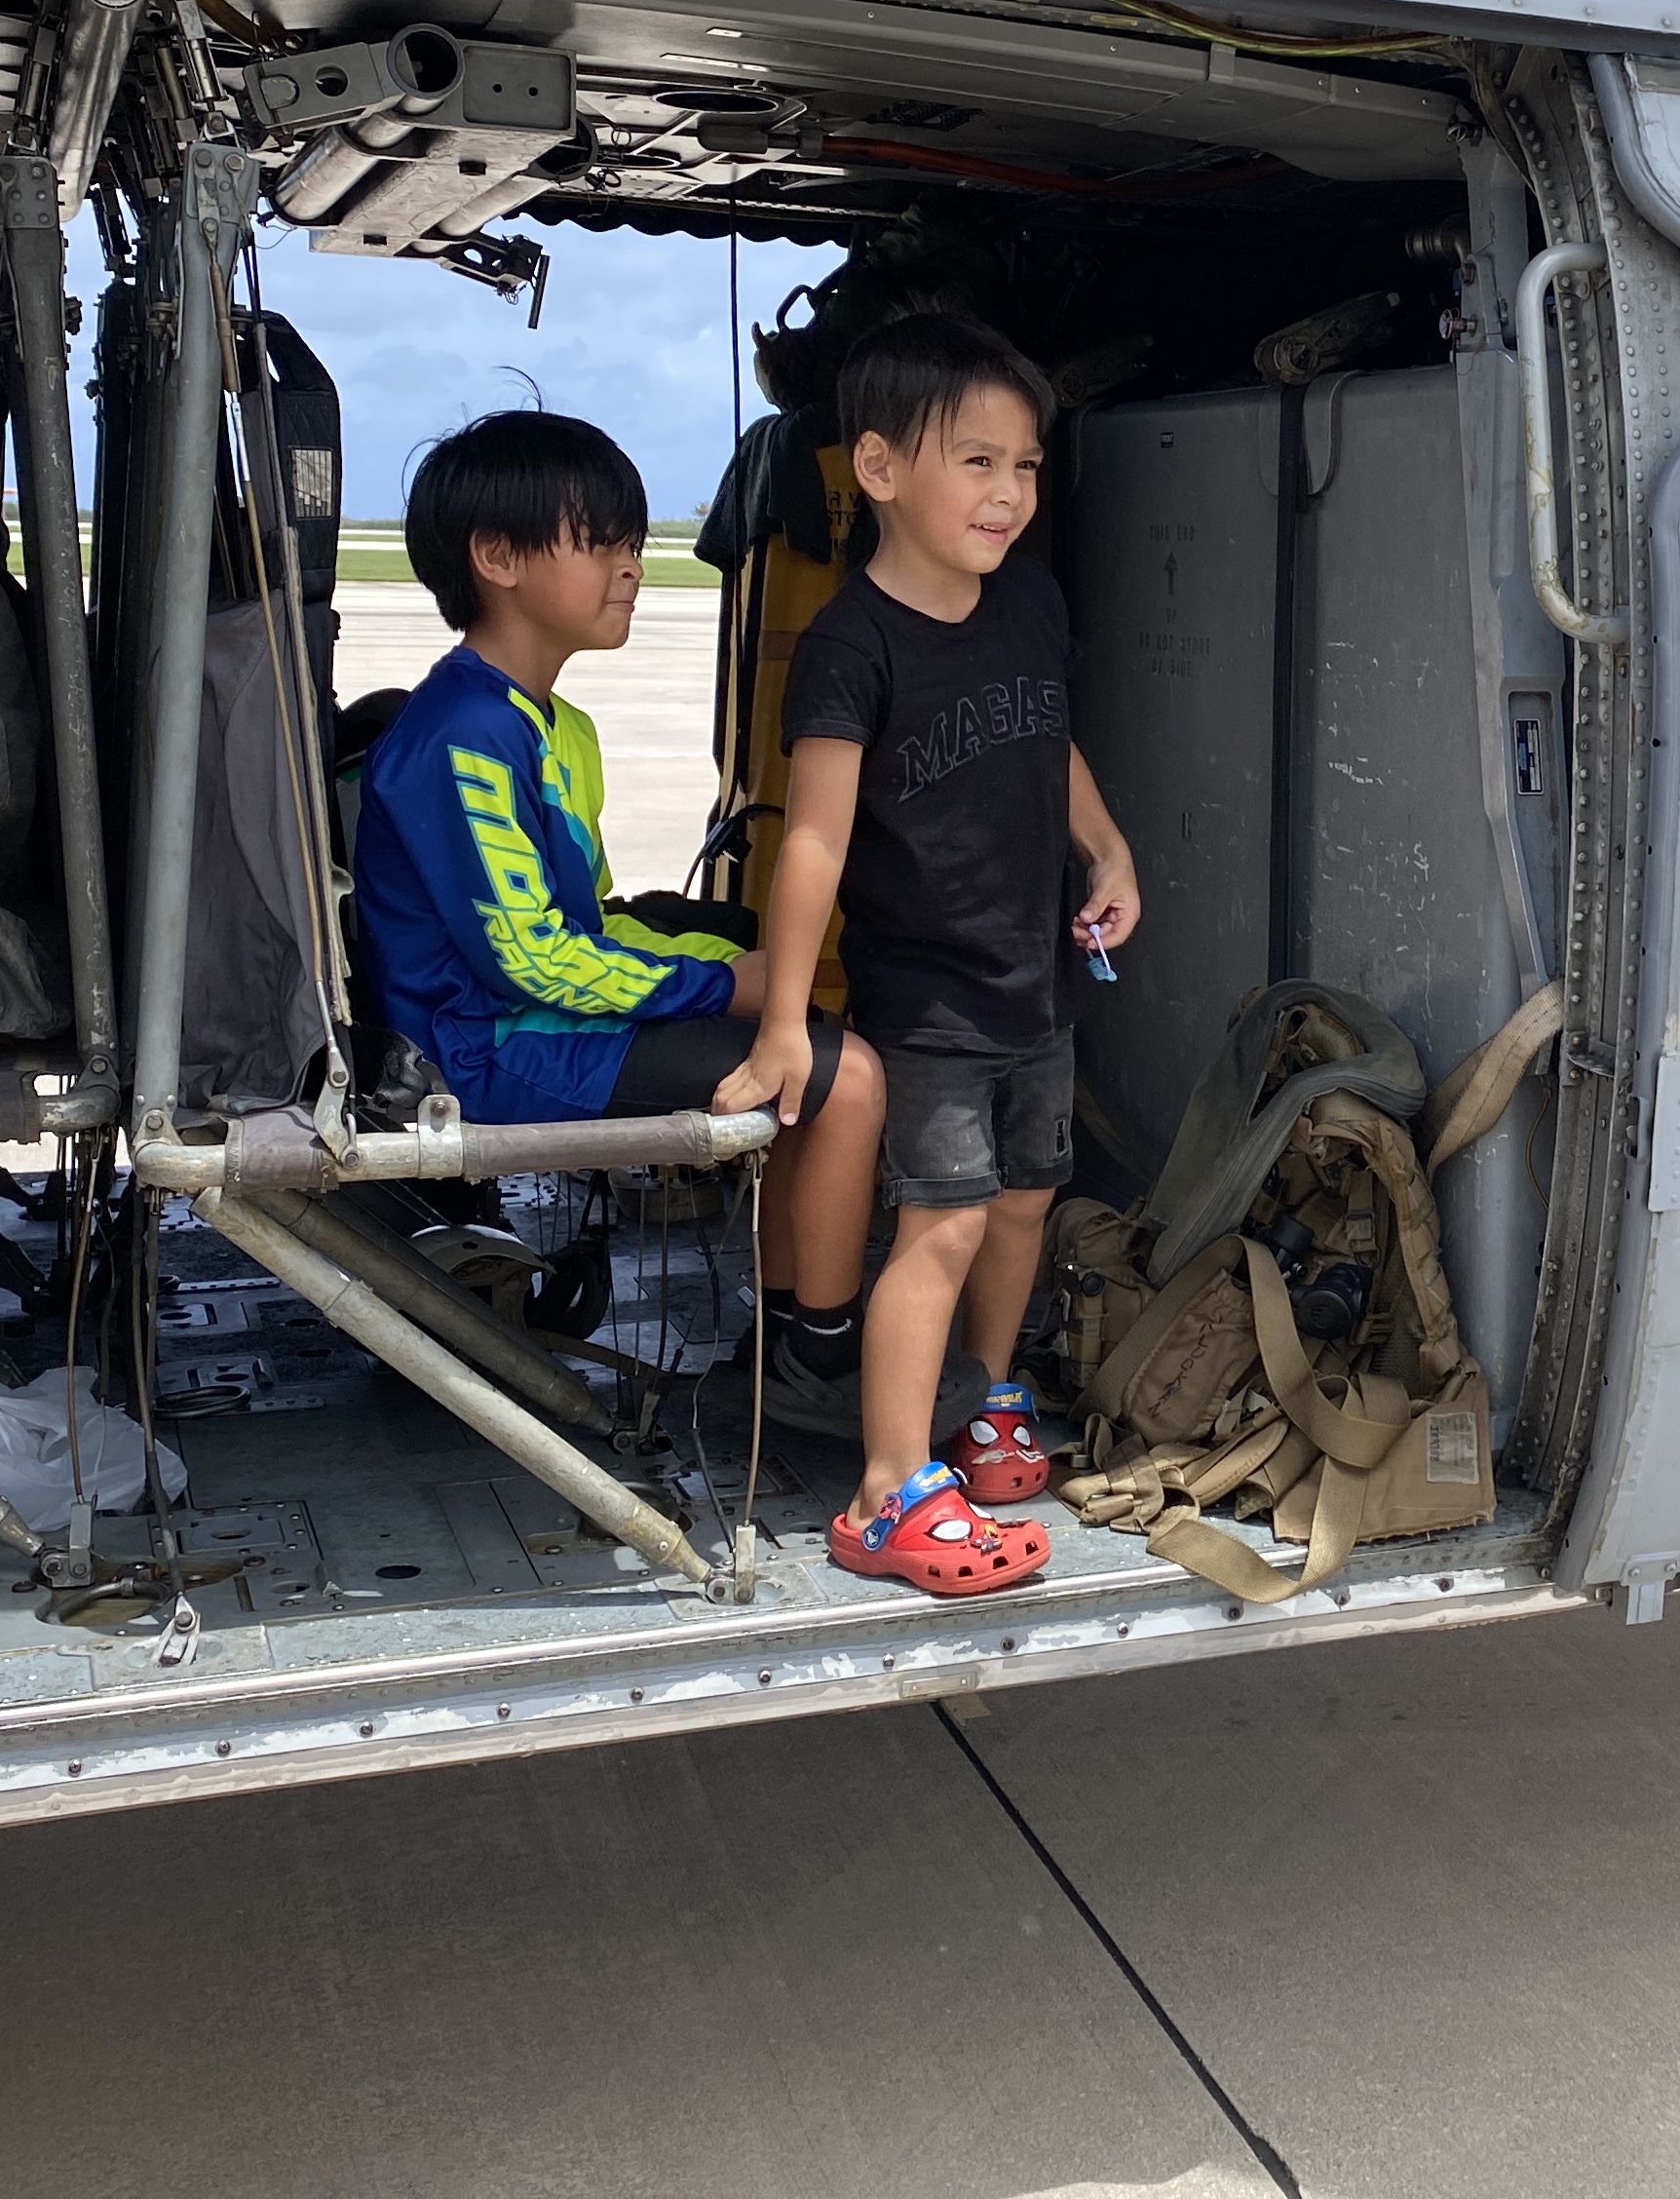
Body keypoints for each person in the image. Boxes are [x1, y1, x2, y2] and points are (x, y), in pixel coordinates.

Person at [718, 311, 1140, 1599]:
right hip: (931, 999)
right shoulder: (854, 644)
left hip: (1038, 981)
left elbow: (1047, 741)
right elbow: (813, 847)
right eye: (977, 461)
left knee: (1021, 1205)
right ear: (884, 469)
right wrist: (788, 1021)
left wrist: (1109, 851)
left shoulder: (1031, 605)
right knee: (944, 1225)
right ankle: (887, 1489)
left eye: (1024, 466)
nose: (1008, 493)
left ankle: (984, 1396)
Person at [355, 408, 884, 1363]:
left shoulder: (553, 725)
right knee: (844, 1078)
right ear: (496, 558)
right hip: (479, 1051)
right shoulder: (464, 737)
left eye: (634, 544)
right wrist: (728, 987)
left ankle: (786, 1336)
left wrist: (733, 967)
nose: (632, 567)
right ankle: (820, 1353)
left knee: (800, 1041)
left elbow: (595, 925)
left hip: (537, 1024)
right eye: (602, 544)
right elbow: (533, 960)